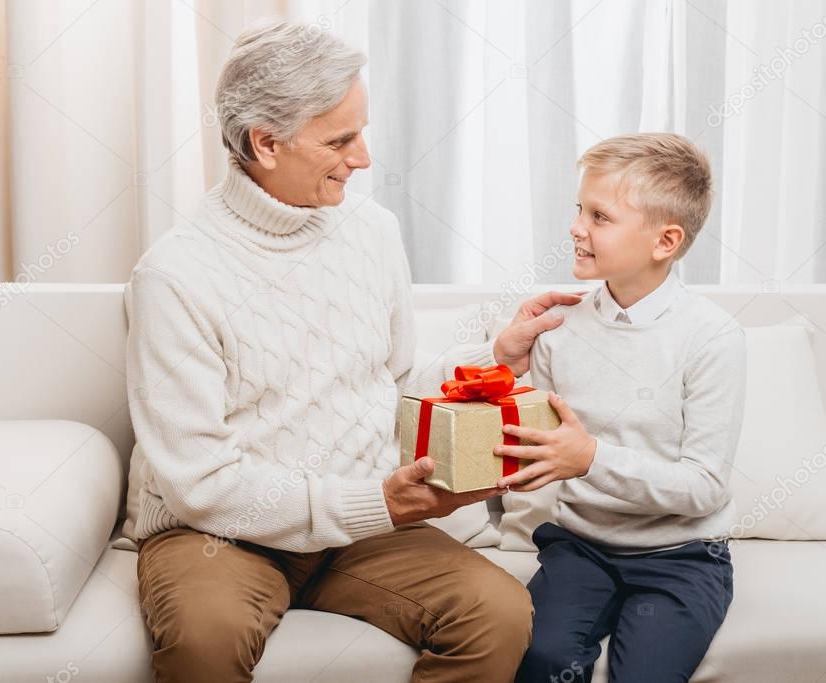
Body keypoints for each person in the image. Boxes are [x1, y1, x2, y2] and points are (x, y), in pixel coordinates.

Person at [126, 20, 581, 683]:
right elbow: (199, 482)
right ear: (265, 142)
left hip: (360, 531)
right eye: (341, 139)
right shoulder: (174, 274)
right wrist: (372, 503)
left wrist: (495, 356)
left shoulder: (371, 230)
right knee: (206, 638)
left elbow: (393, 379)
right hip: (218, 533)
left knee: (498, 610)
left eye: (361, 133)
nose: (363, 158)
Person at [497, 133, 747, 682]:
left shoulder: (711, 337)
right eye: (578, 209)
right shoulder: (558, 331)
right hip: (580, 550)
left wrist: (590, 459)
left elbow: (704, 487)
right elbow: (531, 452)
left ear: (665, 241)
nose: (576, 227)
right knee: (543, 659)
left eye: (600, 216)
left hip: (682, 558)